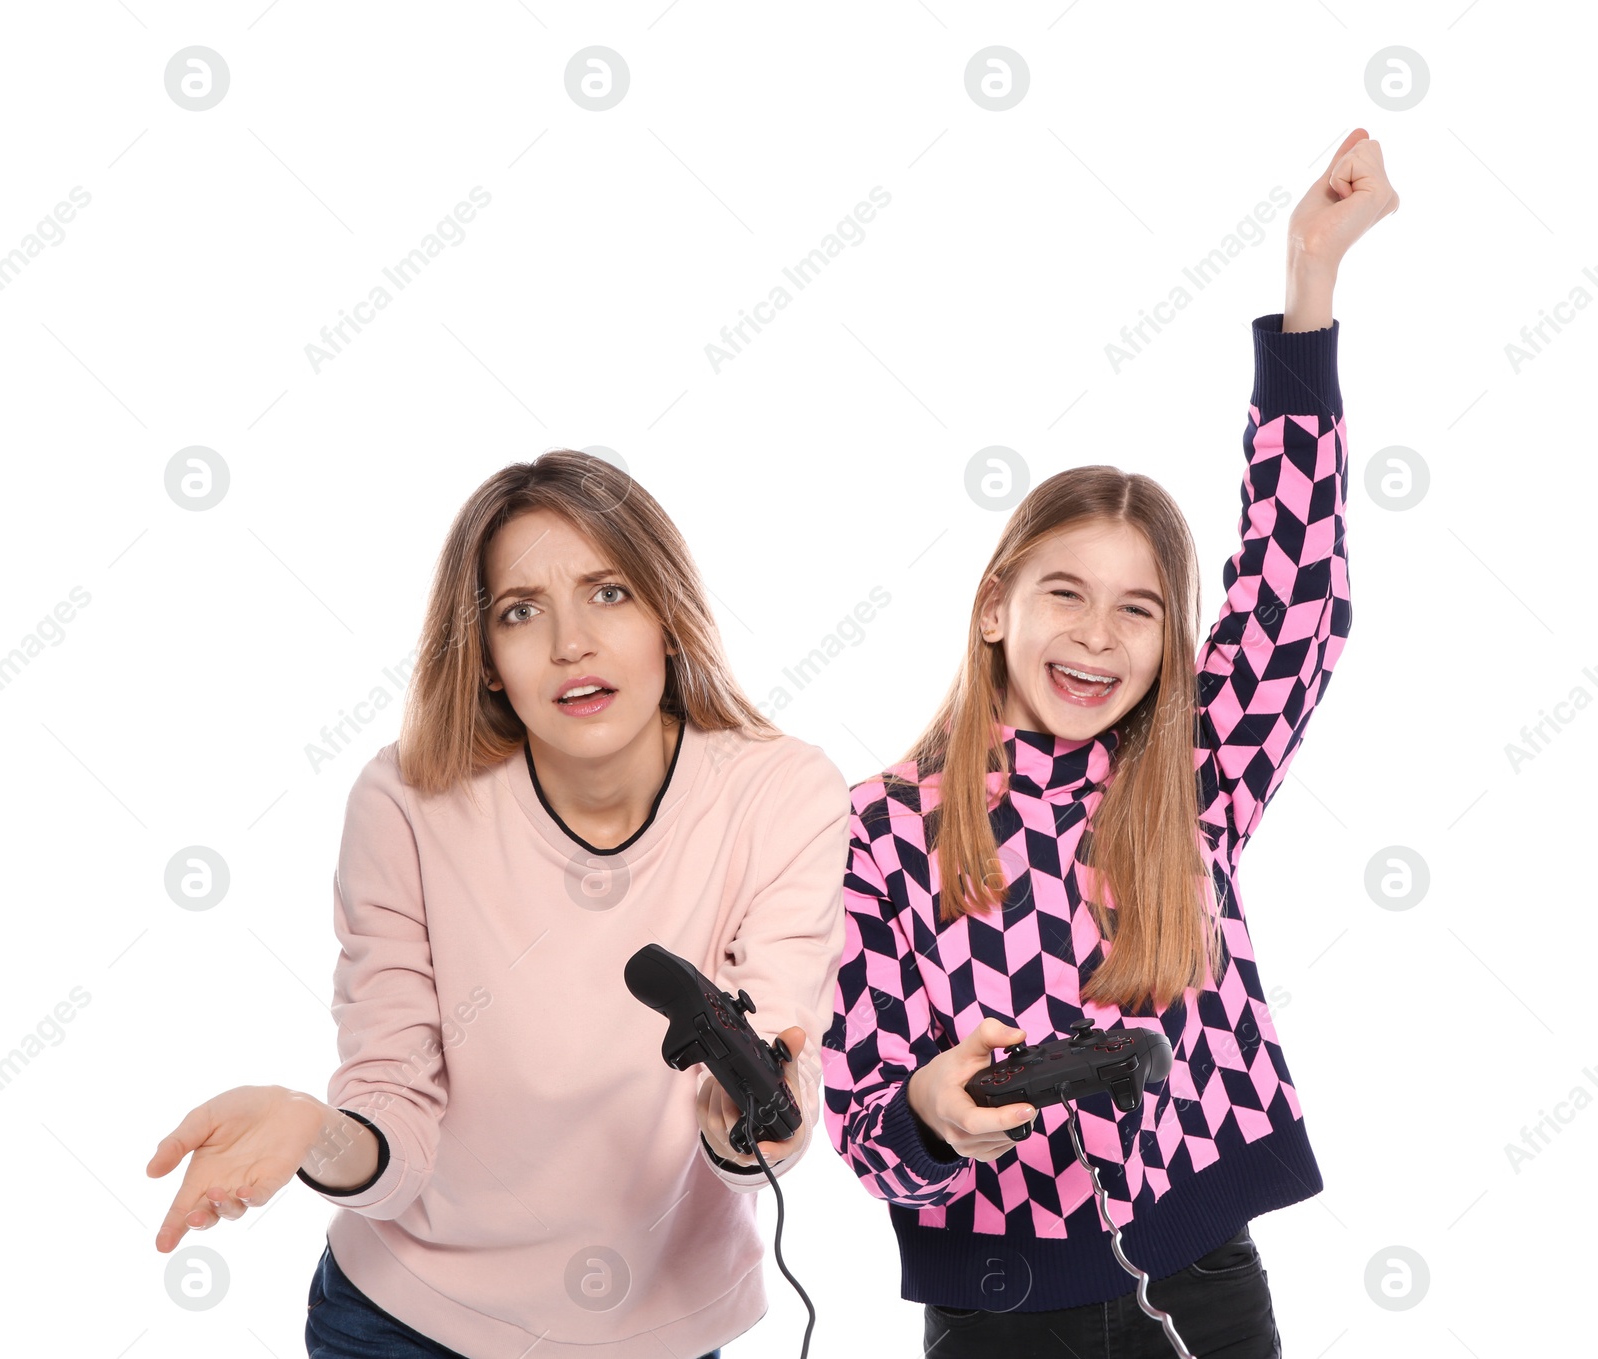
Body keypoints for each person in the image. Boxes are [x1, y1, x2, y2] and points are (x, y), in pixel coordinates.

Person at [821, 129, 1398, 1358]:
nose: (1097, 638)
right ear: (995, 608)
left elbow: (1297, 590)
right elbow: (864, 1118)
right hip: (996, 1306)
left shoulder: (1186, 776)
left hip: (1201, 1277)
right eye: (1064, 594)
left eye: (1138, 608)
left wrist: (1309, 287)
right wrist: (927, 1113)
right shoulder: (877, 828)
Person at [144, 452, 852, 1359]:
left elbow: (783, 1058)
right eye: (522, 611)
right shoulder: (405, 800)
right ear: (484, 662)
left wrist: (749, 1120)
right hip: (406, 1318)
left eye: (609, 594)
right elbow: (391, 1104)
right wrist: (314, 1131)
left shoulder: (781, 790)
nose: (571, 644)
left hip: (658, 1328)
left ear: (669, 622)